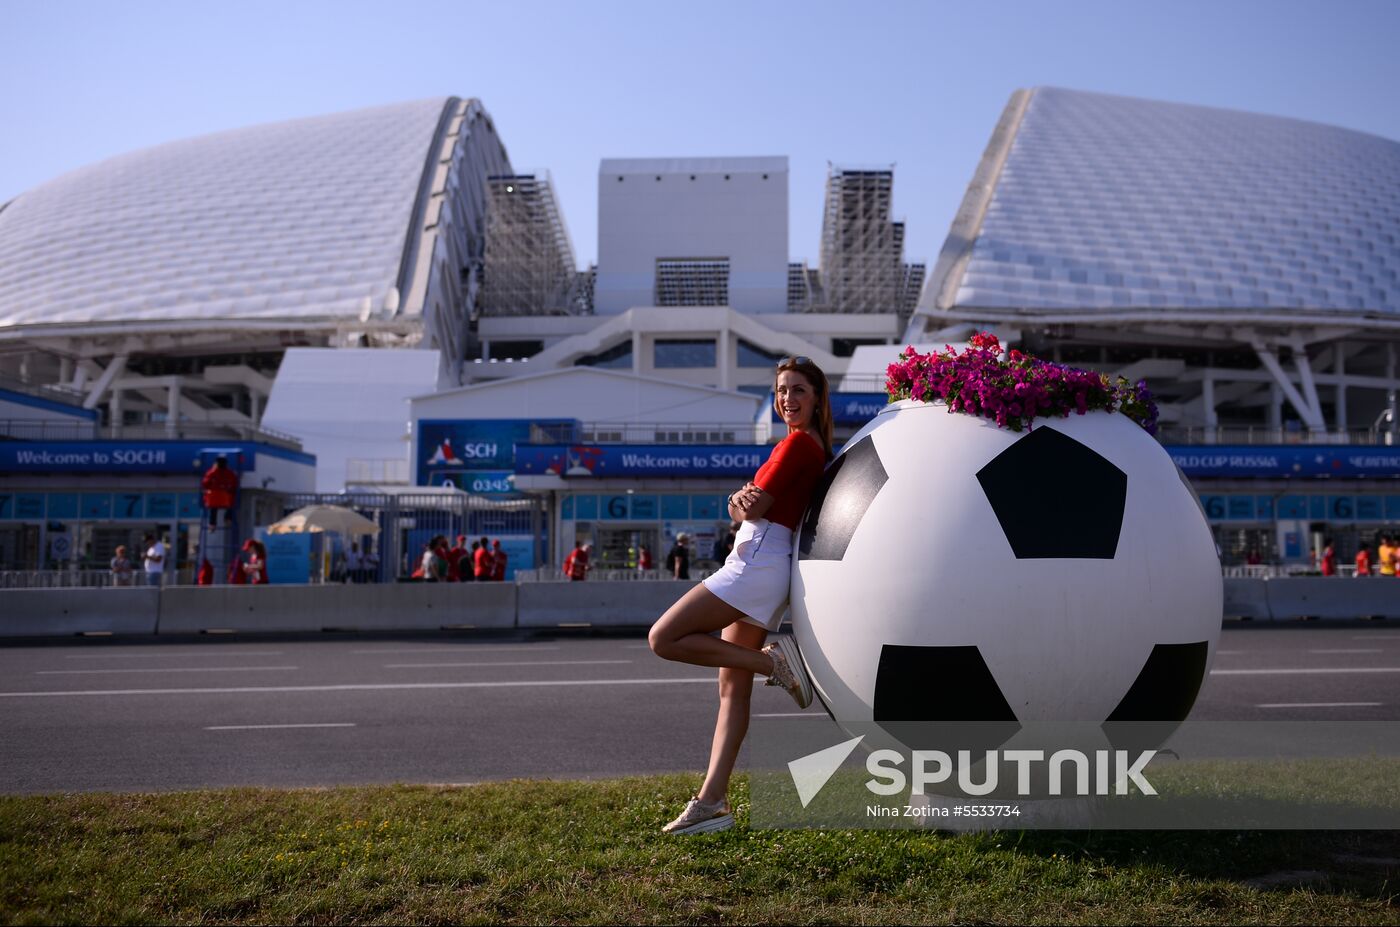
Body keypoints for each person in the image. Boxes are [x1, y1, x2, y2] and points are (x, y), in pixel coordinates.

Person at [648, 355, 832, 835]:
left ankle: (776, 664)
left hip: (754, 565)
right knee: (731, 686)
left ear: (817, 400)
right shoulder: (796, 446)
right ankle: (713, 802)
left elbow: (753, 505)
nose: (787, 399)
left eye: (798, 391)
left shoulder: (798, 449)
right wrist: (740, 502)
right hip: (760, 561)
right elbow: (741, 507)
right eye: (782, 391)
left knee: (663, 638)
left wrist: (742, 502)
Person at [200, 455, 239, 528]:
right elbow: (234, 484)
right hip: (225, 498)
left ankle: (212, 524)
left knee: (213, 508)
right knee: (232, 503)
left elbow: (205, 483)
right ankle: (228, 518)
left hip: (213, 498)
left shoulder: (211, 472)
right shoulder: (229, 473)